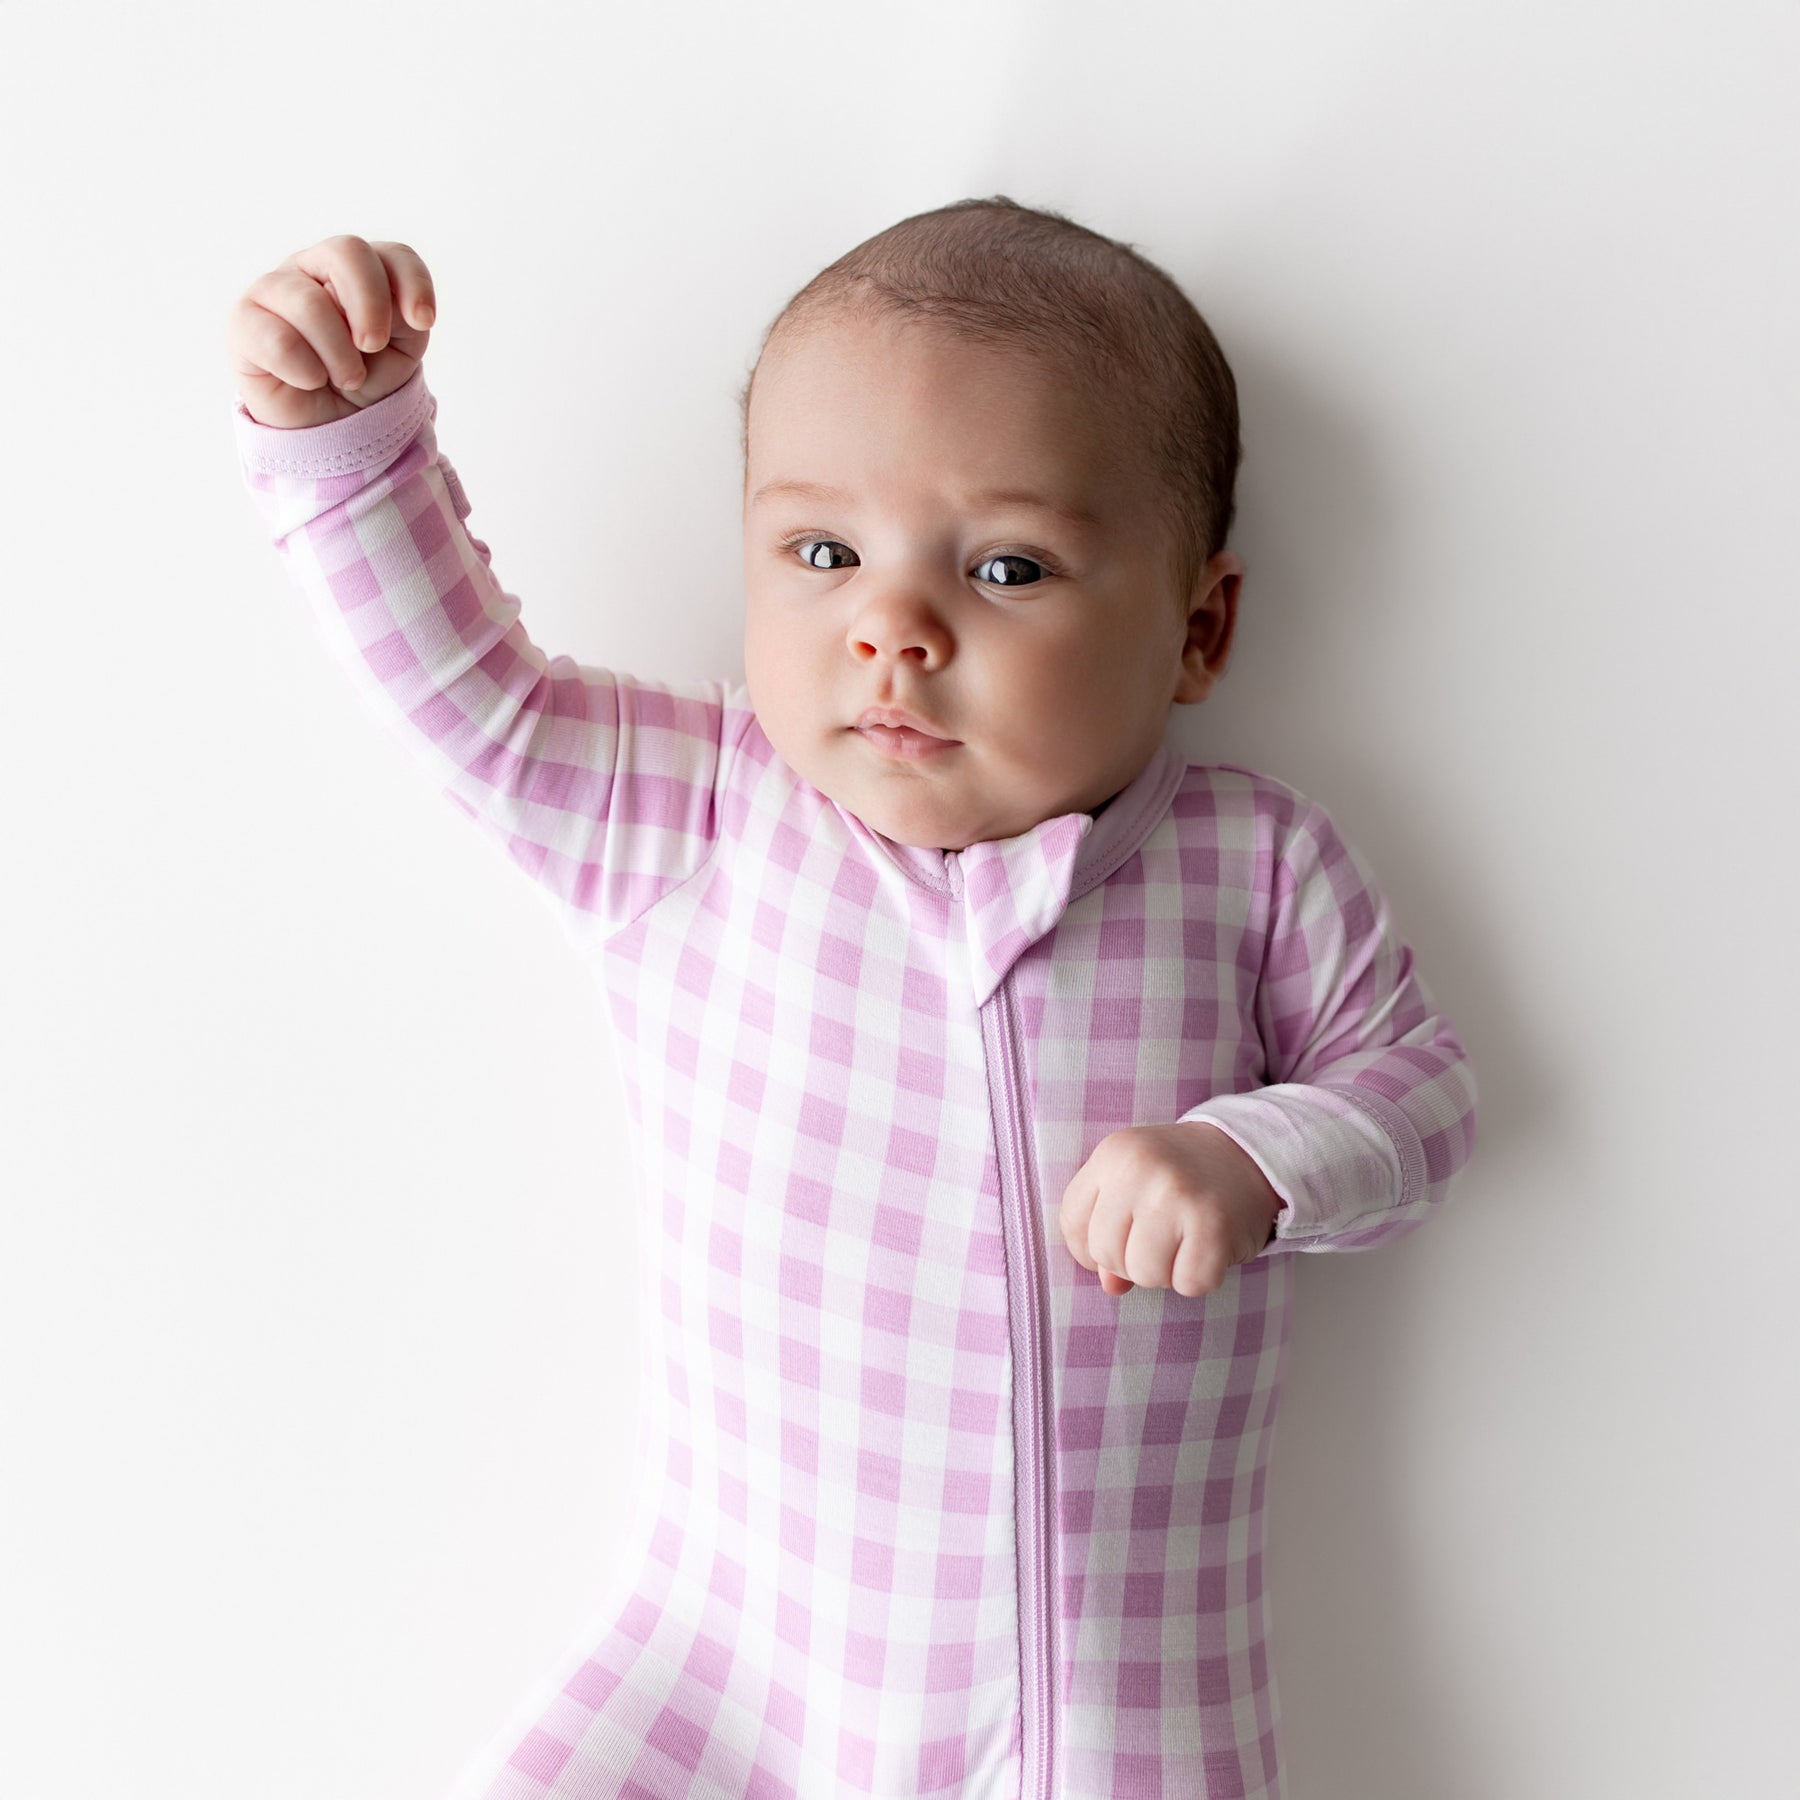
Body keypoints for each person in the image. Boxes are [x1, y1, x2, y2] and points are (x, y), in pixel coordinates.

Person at [226, 198, 1477, 1800]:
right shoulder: (698, 813)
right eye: (823, 553)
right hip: (742, 1647)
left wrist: (1257, 1157)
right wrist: (348, 446)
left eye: (1008, 566)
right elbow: (463, 695)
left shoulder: (1250, 866)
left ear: (1199, 626)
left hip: (1118, 1699)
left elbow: (1420, 1092)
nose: (893, 627)